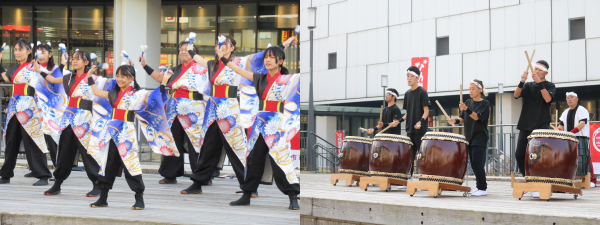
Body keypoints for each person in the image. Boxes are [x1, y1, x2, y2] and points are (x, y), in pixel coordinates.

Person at [181, 36, 297, 195]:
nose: (219, 46)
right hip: (212, 109)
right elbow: (198, 59)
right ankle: (198, 182)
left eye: (223, 44)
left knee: (238, 148)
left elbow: (261, 56)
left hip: (229, 109)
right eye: (217, 44)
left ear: (232, 48)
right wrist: (190, 50)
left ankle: (249, 186)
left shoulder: (240, 62)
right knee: (207, 147)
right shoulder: (213, 64)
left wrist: (283, 44)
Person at [86, 63, 180, 209]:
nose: (119, 79)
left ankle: (139, 198)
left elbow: (154, 98)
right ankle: (103, 198)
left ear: (132, 79)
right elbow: (97, 92)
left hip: (126, 132)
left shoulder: (138, 94)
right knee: (107, 164)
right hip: (111, 131)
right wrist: (89, 77)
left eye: (123, 76)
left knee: (131, 164)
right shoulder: (113, 93)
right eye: (117, 76)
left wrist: (163, 82)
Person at [222, 45, 300, 209]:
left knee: (280, 161)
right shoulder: (259, 78)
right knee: (252, 160)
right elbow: (240, 71)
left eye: (272, 57)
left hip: (276, 124)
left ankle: (293, 196)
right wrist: (225, 60)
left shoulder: (289, 79)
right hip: (260, 123)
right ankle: (247, 194)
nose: (267, 60)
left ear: (280, 61)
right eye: (266, 57)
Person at [39, 49, 103, 196]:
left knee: (87, 152)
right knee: (64, 152)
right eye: (73, 58)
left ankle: (97, 183)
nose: (74, 61)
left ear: (86, 62)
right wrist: (39, 70)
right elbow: (52, 80)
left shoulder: (94, 78)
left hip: (84, 118)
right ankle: (57, 183)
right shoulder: (69, 77)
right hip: (68, 117)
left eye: (78, 59)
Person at [140, 41, 204, 185]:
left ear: (195, 53)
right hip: (174, 109)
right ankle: (170, 174)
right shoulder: (174, 70)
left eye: (186, 50)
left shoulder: (202, 69)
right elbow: (159, 78)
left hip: (194, 109)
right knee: (171, 140)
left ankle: (201, 175)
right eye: (180, 49)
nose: (182, 52)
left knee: (196, 143)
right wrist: (145, 65)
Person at [0, 38, 52, 186]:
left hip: (29, 106)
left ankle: (43, 175)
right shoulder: (17, 67)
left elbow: (45, 82)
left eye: (20, 49)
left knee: (33, 140)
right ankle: (6, 174)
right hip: (14, 106)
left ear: (29, 51)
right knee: (11, 140)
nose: (17, 52)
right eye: (15, 49)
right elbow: (7, 77)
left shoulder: (34, 66)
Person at [513, 60, 555, 198]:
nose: (536, 71)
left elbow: (548, 99)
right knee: (519, 154)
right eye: (535, 68)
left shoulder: (550, 85)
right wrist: (522, 81)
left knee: (537, 157)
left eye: (539, 69)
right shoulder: (528, 85)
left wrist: (540, 83)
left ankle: (538, 184)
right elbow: (516, 95)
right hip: (525, 124)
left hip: (541, 126)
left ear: (546, 73)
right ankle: (529, 181)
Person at [447, 79, 490, 196]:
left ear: (480, 90)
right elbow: (462, 118)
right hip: (469, 136)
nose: (470, 91)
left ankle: (482, 188)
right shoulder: (468, 102)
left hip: (480, 136)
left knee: (477, 162)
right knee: (473, 162)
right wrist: (454, 121)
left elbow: (476, 117)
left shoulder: (484, 104)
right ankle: (479, 187)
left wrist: (466, 109)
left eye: (473, 89)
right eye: (469, 89)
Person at [32, 42, 66, 168]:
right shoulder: (33, 68)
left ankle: (58, 167)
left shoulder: (55, 69)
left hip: (50, 108)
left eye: (43, 52)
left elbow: (57, 87)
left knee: (52, 138)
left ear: (50, 54)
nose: (40, 55)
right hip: (36, 107)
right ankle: (37, 168)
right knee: (37, 138)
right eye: (38, 52)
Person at [557, 92, 596, 188]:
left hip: (580, 138)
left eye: (572, 97)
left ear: (577, 99)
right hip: (567, 139)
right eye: (567, 98)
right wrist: (558, 131)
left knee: (584, 158)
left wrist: (571, 133)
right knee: (567, 159)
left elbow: (582, 124)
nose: (569, 99)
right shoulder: (565, 112)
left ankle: (591, 180)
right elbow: (561, 125)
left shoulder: (582, 110)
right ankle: (567, 178)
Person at [403, 66, 430, 177]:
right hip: (410, 129)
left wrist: (420, 122)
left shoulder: (422, 92)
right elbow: (408, 113)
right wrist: (399, 121)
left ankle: (425, 178)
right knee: (409, 156)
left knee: (422, 155)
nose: (409, 78)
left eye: (412, 76)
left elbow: (426, 111)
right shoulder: (407, 94)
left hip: (420, 130)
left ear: (418, 78)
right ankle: (408, 178)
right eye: (408, 76)